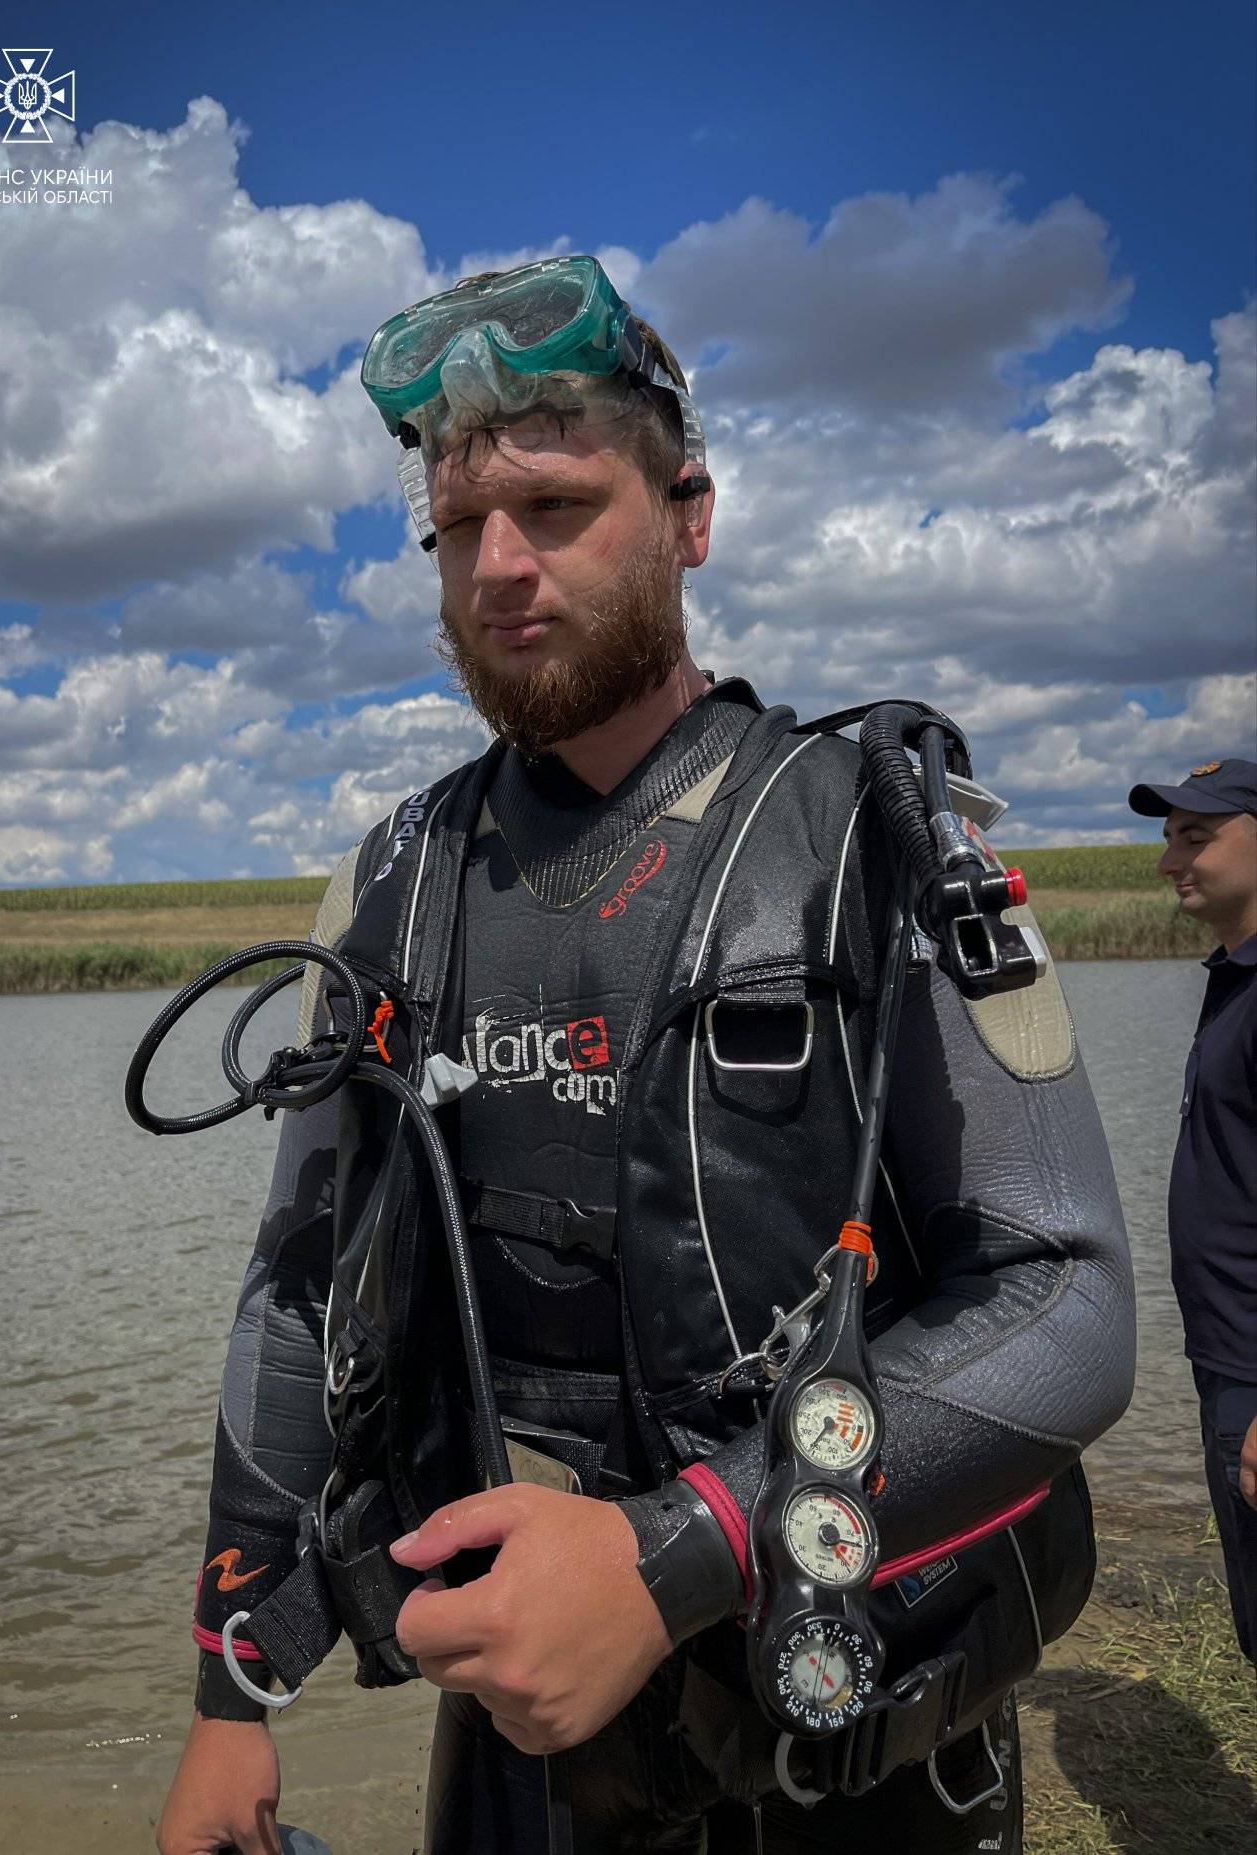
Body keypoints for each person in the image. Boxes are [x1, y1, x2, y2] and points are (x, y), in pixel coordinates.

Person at [156, 257, 1135, 1855]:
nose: (499, 565)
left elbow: (1075, 1298)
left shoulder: (876, 841)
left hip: (858, 1758)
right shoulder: (386, 887)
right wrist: (227, 1694)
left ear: (690, 511)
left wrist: (683, 1548)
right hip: (527, 1762)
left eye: (554, 504)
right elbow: (298, 1286)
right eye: (457, 526)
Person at [1128, 758, 1257, 1664]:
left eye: (1196, 835)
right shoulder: (1236, 981)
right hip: (1230, 1360)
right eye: (1169, 835)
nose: (1171, 859)